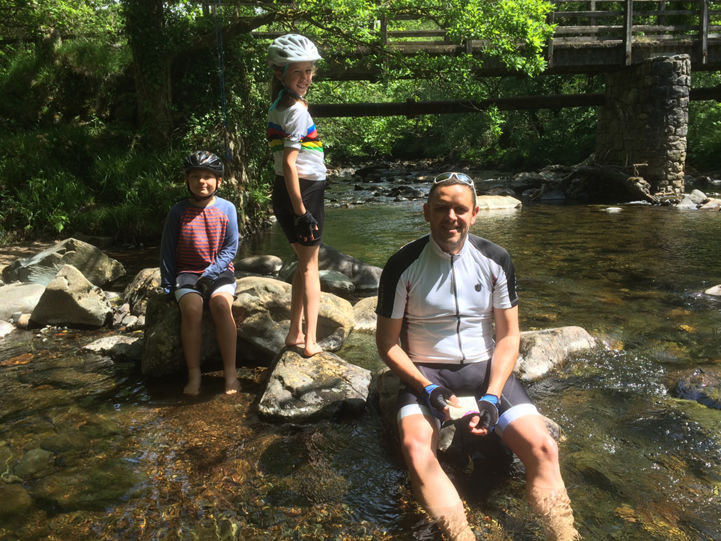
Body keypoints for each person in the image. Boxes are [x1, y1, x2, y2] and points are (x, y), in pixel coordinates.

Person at [375, 172, 579, 541]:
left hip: (486, 372)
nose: (450, 217)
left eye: (459, 209)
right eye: (441, 209)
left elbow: (508, 335)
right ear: (426, 212)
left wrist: (491, 395)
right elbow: (387, 343)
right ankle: (462, 535)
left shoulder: (496, 258)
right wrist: (426, 390)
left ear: (475, 213)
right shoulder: (402, 264)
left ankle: (565, 535)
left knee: (544, 448)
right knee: (417, 449)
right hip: (426, 372)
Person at [160, 150, 240, 396]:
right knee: (192, 310)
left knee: (220, 306)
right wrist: (166, 285)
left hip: (220, 272)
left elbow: (231, 248)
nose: (202, 181)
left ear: (218, 181)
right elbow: (167, 249)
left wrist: (211, 273)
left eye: (208, 176)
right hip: (187, 273)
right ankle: (194, 374)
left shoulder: (227, 208)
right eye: (196, 176)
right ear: (187, 180)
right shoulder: (178, 211)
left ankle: (230, 373)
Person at [266, 34, 326, 358]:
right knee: (310, 268)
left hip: (283, 190)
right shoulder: (297, 112)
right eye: (297, 72)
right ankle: (310, 341)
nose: (305, 78)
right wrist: (302, 211)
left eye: (309, 71)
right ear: (280, 73)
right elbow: (290, 164)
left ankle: (293, 333)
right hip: (303, 190)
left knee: (303, 263)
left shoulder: (278, 106)